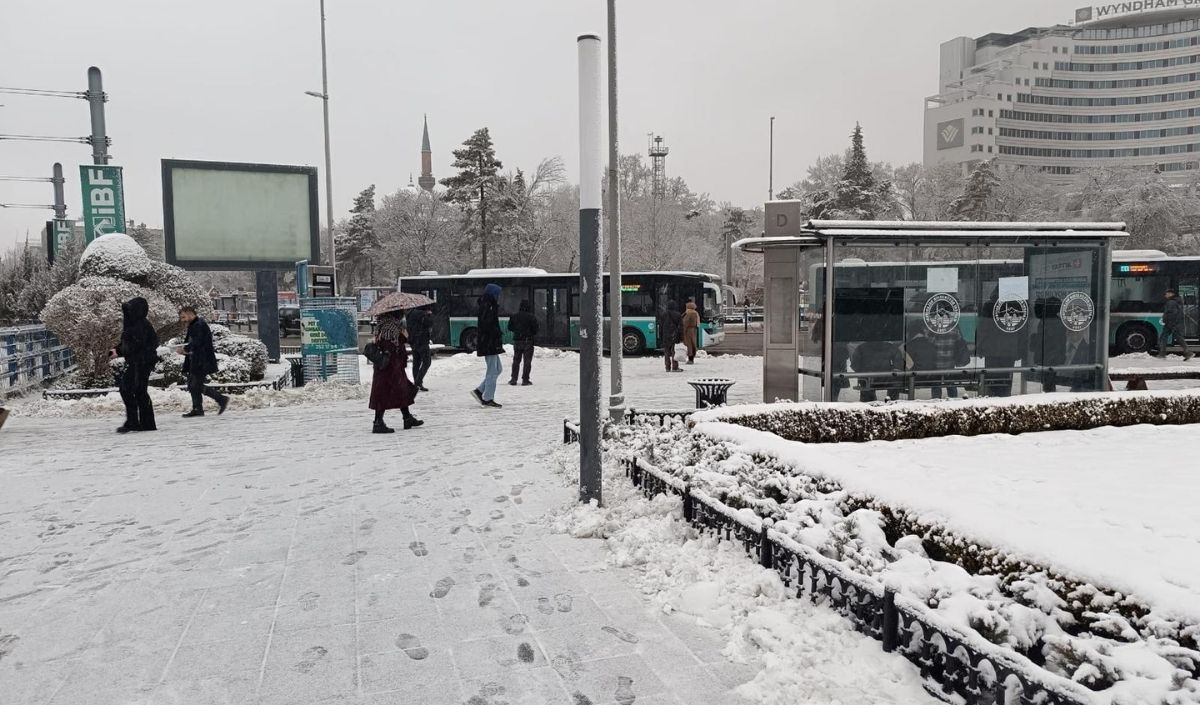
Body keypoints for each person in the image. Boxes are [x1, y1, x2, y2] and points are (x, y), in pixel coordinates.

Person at [369, 313, 422, 433]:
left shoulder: (386, 324)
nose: (403, 313)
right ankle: (378, 422)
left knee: (401, 390)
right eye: (401, 311)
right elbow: (389, 345)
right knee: (386, 392)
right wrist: (403, 336)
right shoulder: (390, 326)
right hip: (390, 367)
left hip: (389, 366)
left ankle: (407, 417)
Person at [112, 297, 159, 433]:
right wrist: (118, 349)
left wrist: (119, 350)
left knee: (128, 389)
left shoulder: (140, 325)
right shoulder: (138, 324)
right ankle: (146, 423)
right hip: (140, 361)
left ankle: (135, 422)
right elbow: (131, 343)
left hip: (141, 362)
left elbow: (135, 344)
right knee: (138, 391)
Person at [178, 306, 229, 417]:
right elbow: (195, 343)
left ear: (190, 313)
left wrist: (186, 349)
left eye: (183, 317)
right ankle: (198, 408)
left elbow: (198, 342)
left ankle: (221, 399)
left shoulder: (199, 325)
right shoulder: (194, 325)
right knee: (193, 385)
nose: (182, 320)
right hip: (197, 359)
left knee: (195, 385)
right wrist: (186, 350)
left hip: (201, 360)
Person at [471, 283, 504, 408]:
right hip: (489, 343)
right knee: (492, 372)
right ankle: (487, 398)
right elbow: (487, 325)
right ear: (493, 294)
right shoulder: (488, 306)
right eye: (497, 294)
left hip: (490, 343)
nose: (499, 296)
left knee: (498, 369)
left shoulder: (489, 305)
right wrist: (496, 332)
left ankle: (480, 391)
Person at [507, 300, 539, 386]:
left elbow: (510, 327)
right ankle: (525, 380)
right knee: (527, 361)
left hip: (517, 341)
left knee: (516, 360)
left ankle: (514, 379)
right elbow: (535, 330)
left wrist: (517, 331)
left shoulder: (514, 316)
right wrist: (529, 333)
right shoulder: (531, 317)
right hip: (528, 341)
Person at [1158, 289, 1193, 360]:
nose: (1165, 295)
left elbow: (1171, 313)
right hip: (1174, 323)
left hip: (1171, 323)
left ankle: (1162, 354)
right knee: (1175, 337)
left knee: (1165, 337)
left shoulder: (1171, 302)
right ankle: (1187, 352)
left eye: (1166, 293)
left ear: (1171, 294)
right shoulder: (1176, 301)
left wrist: (1169, 322)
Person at [406, 304, 434, 391]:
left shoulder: (409, 314)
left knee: (416, 362)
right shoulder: (423, 314)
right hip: (422, 341)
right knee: (427, 362)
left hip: (413, 341)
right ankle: (418, 381)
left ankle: (417, 383)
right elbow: (430, 323)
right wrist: (429, 314)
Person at [658, 300, 682, 372]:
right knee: (674, 351)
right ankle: (675, 367)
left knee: (667, 352)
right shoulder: (678, 314)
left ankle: (667, 367)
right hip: (675, 335)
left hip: (666, 336)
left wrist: (661, 335)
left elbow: (661, 326)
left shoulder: (663, 314)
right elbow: (681, 327)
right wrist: (681, 337)